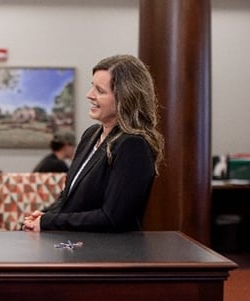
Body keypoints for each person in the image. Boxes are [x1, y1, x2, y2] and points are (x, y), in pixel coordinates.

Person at [23, 54, 164, 232]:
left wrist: (49, 222)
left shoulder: (133, 146)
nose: (90, 95)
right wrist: (44, 216)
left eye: (100, 91)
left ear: (126, 97)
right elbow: (69, 199)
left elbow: (112, 218)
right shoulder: (91, 134)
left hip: (108, 255)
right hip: (76, 248)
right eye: (92, 87)